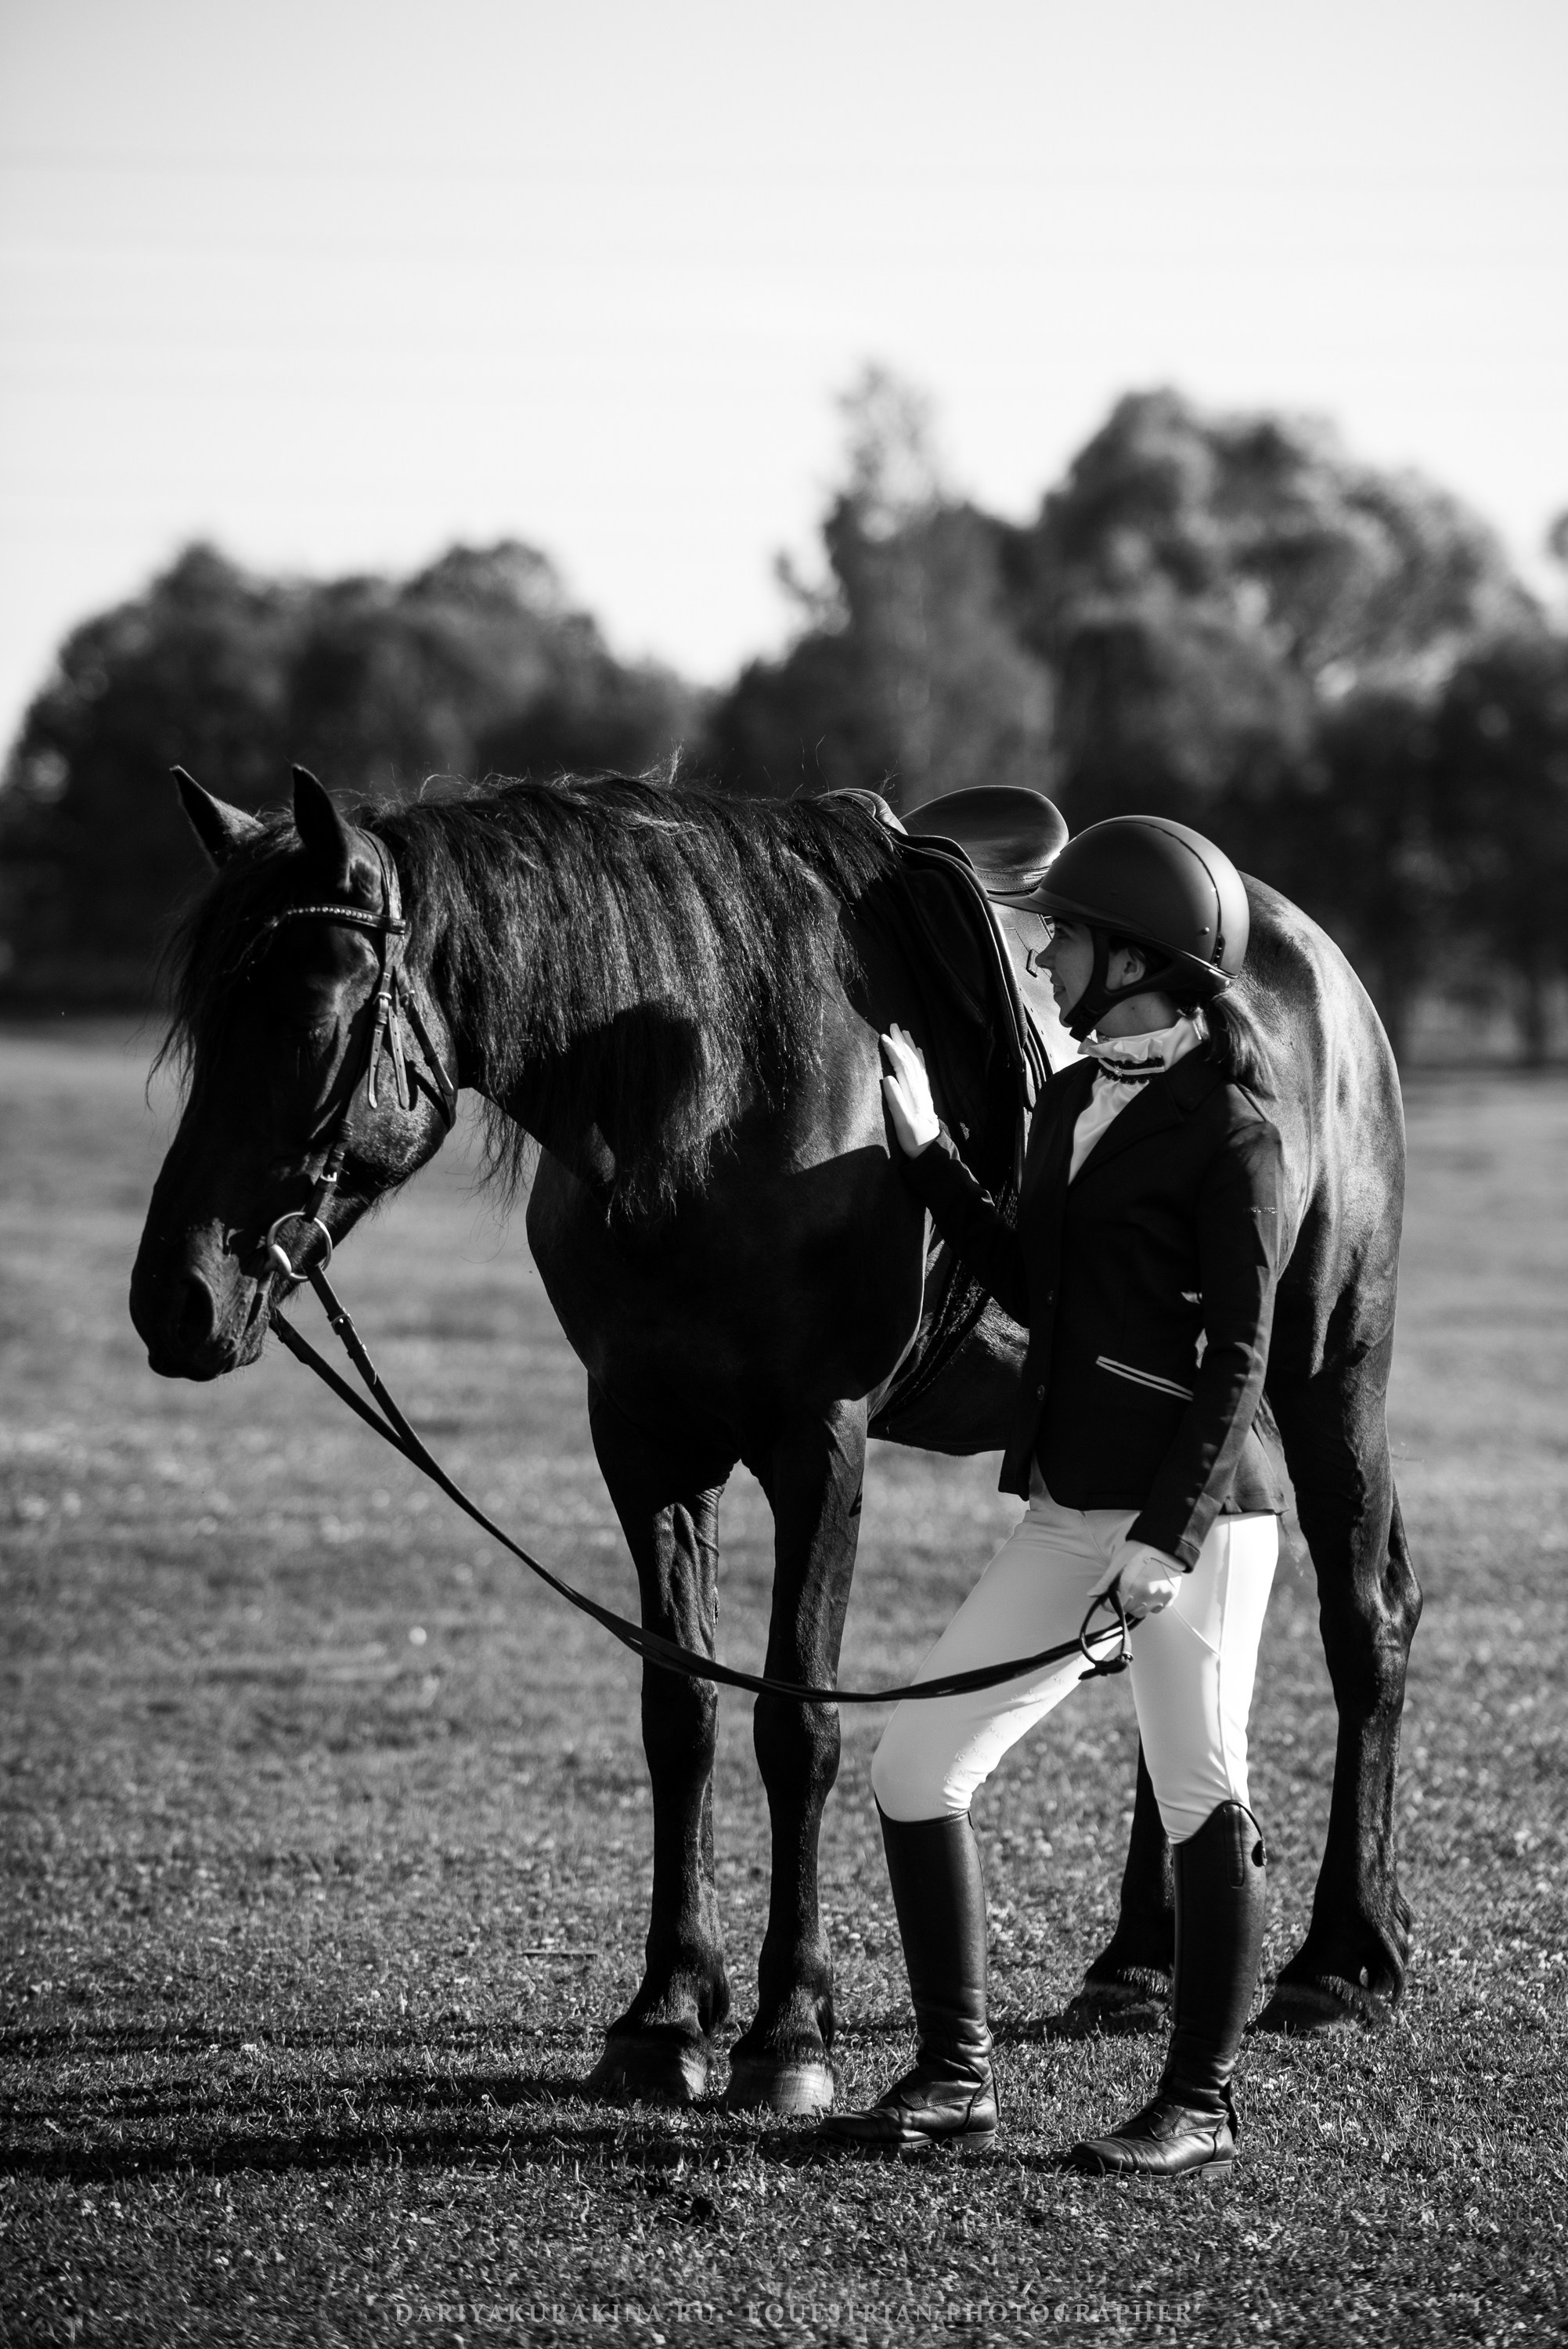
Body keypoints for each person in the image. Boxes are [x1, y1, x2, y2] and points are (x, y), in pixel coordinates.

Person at [820, 814, 1285, 2177]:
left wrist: (1167, 1540)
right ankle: (955, 2079)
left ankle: (1199, 2105)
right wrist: (925, 1154)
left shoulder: (1236, 1134)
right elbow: (1036, 1284)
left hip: (1198, 1522)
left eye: (1063, 938)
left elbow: (1241, 1360)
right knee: (917, 1769)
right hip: (1072, 1505)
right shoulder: (1074, 1101)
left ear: (1133, 959)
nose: (1043, 958)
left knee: (1202, 1790)